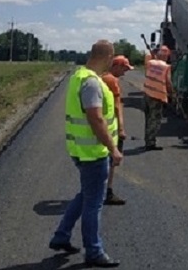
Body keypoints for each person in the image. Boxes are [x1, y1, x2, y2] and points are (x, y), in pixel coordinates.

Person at [49, 40, 122, 268]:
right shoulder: (91, 83)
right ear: (107, 57)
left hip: (81, 150)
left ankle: (61, 235)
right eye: (111, 59)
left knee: (86, 195)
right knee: (94, 203)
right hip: (93, 153)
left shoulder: (79, 75)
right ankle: (94, 251)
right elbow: (96, 118)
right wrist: (113, 148)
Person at [101, 55, 133, 206]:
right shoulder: (112, 81)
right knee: (112, 162)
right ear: (117, 66)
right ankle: (106, 192)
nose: (125, 72)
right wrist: (121, 129)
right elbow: (116, 107)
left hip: (102, 127)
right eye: (124, 69)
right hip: (110, 128)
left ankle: (100, 191)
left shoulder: (101, 78)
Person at [142, 45, 173, 151]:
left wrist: (152, 54)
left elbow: (146, 61)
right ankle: (150, 143)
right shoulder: (166, 67)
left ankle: (148, 140)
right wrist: (172, 92)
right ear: (167, 56)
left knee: (148, 118)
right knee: (155, 119)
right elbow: (168, 82)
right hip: (157, 95)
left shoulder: (150, 63)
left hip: (147, 93)